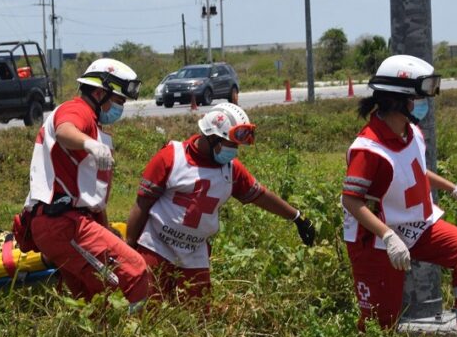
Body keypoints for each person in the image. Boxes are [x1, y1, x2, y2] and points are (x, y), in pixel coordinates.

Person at [341, 54, 457, 337]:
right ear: (400, 100)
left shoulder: (411, 132)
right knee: (381, 323)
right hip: (377, 239)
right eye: (419, 98)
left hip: (418, 226)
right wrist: (388, 236)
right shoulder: (367, 149)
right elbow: (351, 200)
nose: (423, 104)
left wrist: (454, 189)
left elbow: (414, 171)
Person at [126, 102, 316, 302]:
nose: (234, 151)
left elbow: (260, 195)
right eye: (231, 145)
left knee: (196, 320)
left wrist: (296, 217)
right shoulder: (171, 157)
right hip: (157, 247)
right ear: (212, 138)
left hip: (194, 254)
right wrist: (129, 248)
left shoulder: (231, 169)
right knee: (146, 310)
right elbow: (142, 204)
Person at [22, 58, 150, 309]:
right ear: (100, 93)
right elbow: (65, 131)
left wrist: (105, 230)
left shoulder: (94, 125)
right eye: (119, 100)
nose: (120, 108)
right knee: (135, 272)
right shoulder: (77, 110)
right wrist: (90, 144)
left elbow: (91, 197)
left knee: (95, 301)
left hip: (64, 223)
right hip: (64, 223)